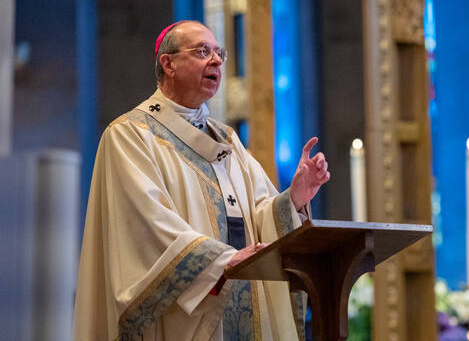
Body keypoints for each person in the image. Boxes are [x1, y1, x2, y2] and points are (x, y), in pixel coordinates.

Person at [74, 20, 330, 340]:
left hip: (246, 301)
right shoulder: (130, 136)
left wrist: (295, 198)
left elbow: (259, 214)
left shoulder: (227, 139)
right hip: (187, 320)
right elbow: (145, 226)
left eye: (219, 53)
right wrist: (219, 262)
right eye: (203, 51)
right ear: (168, 63)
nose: (217, 61)